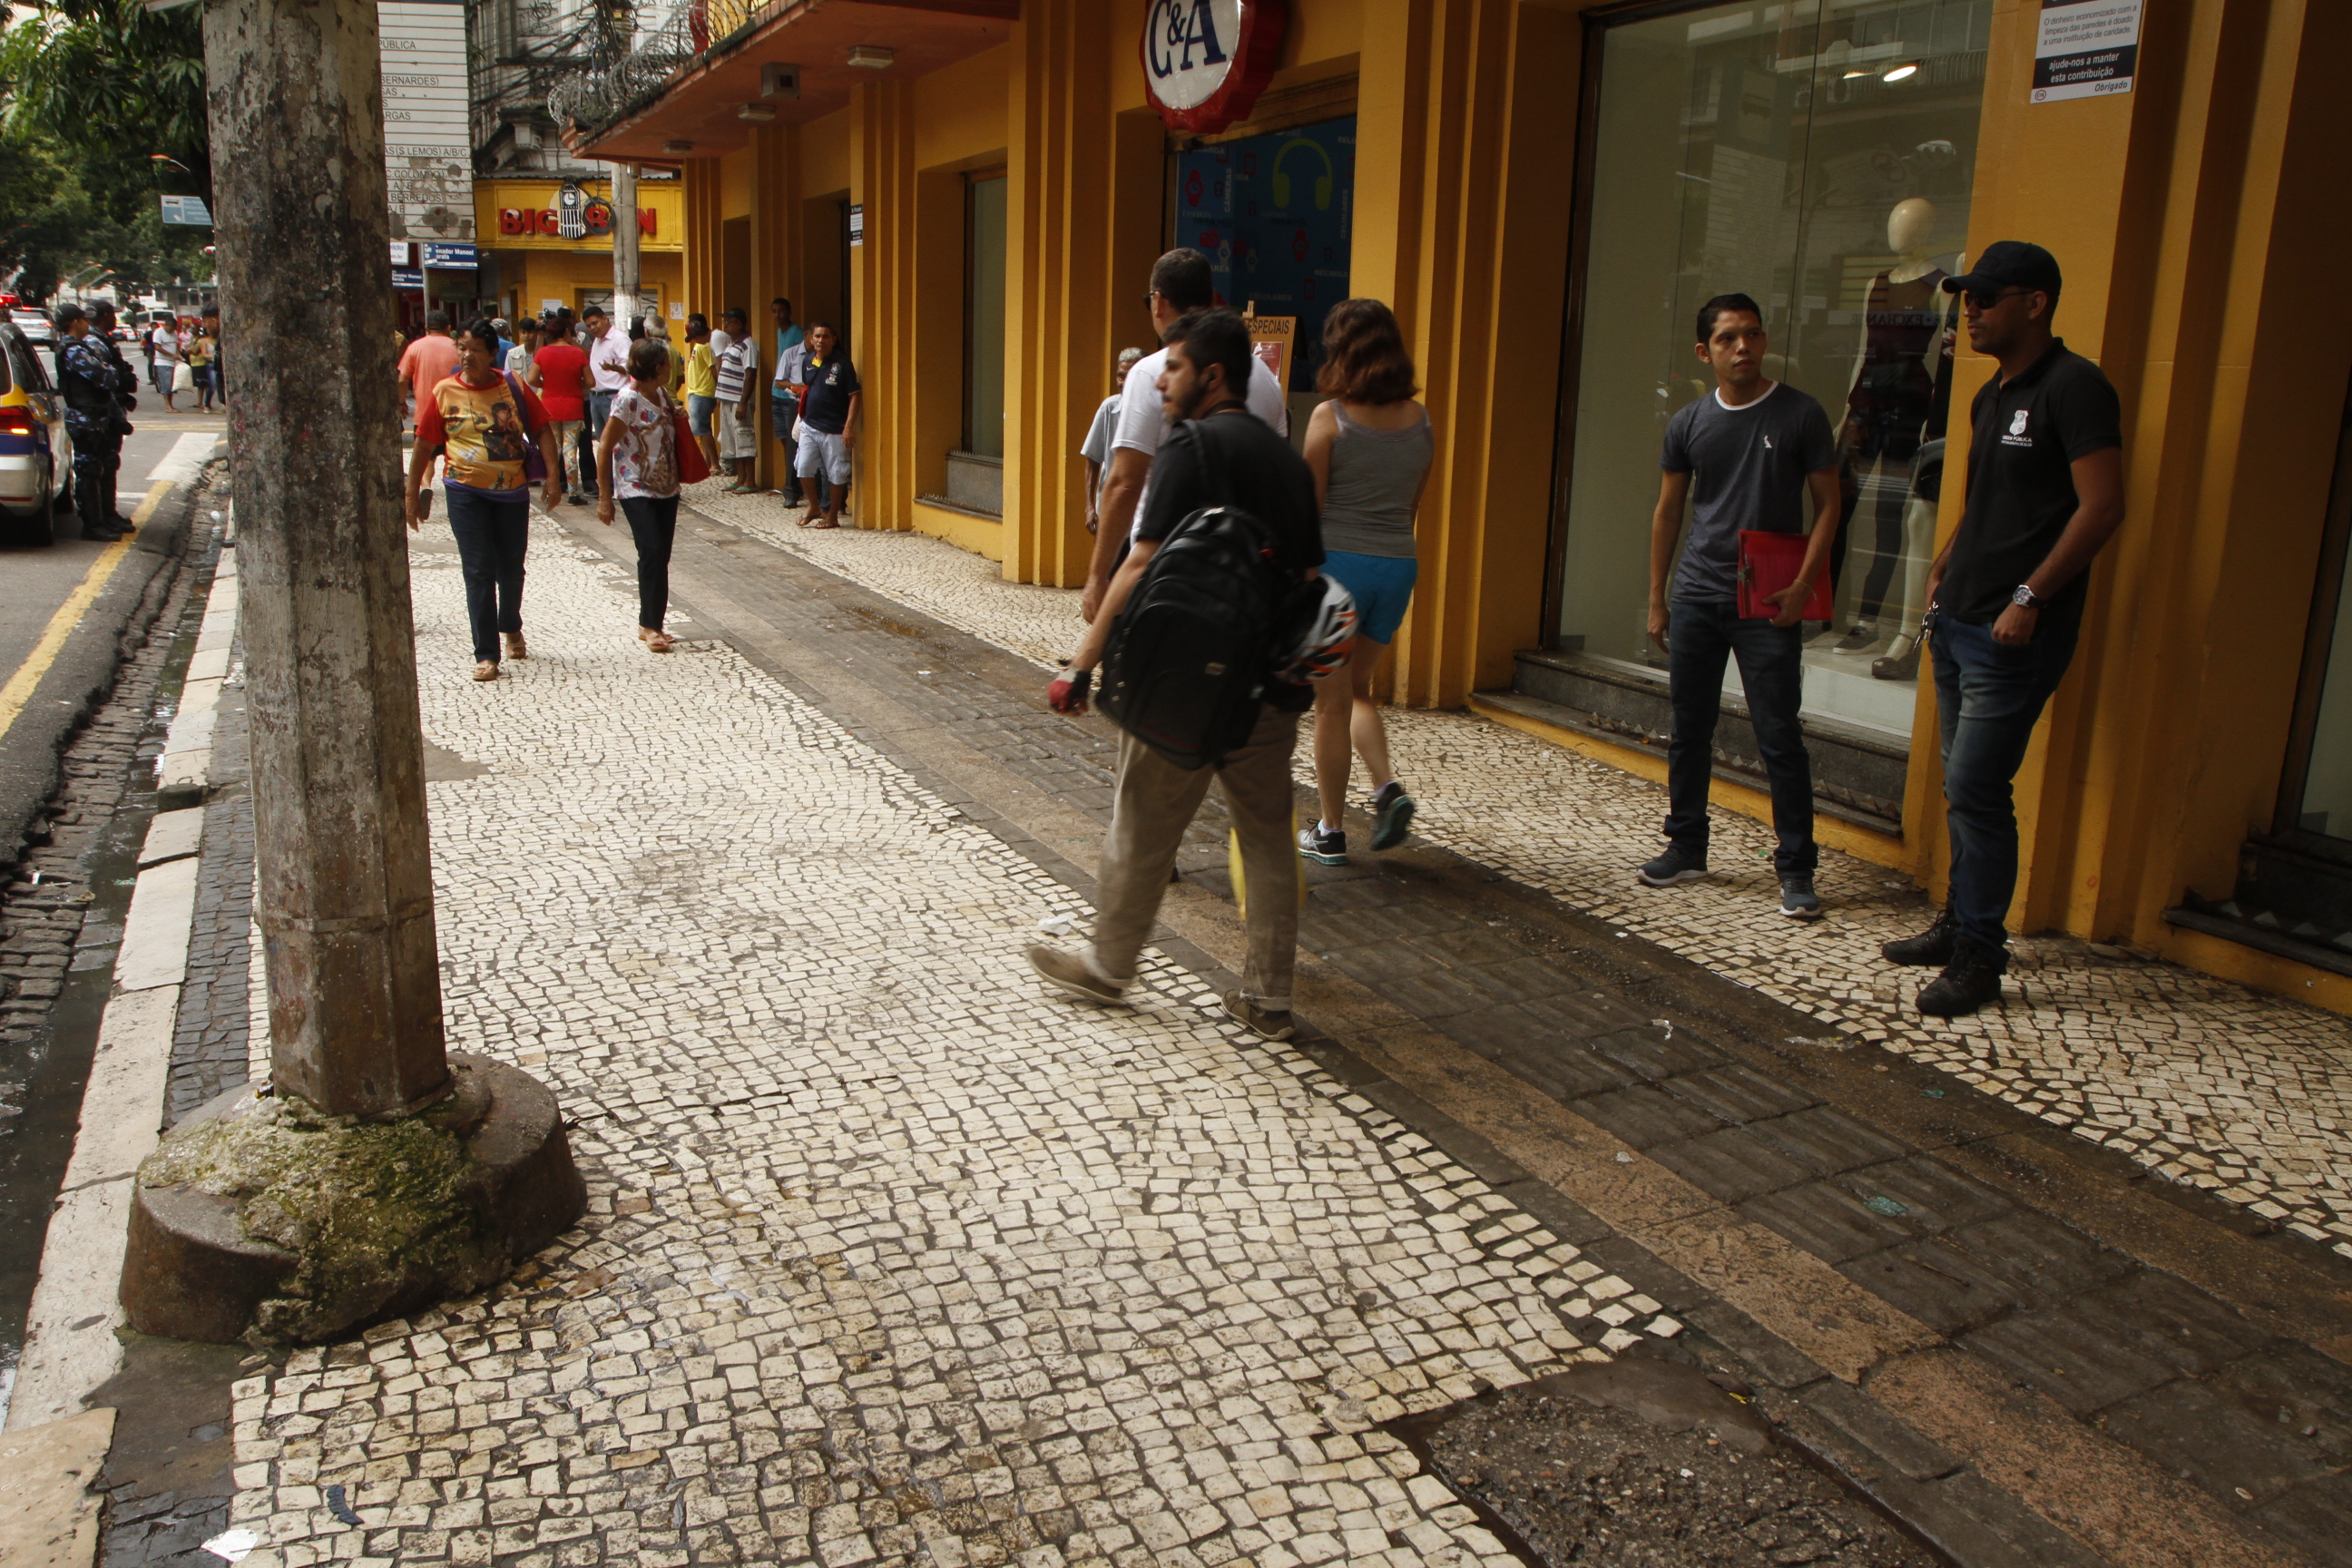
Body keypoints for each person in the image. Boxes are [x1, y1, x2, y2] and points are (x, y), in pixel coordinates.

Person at [1029, 309, 1322, 1043]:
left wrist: (1081, 664)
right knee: (1265, 835)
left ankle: (1109, 967)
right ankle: (1269, 999)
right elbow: (1312, 577)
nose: (1162, 379)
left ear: (1213, 376)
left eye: (1176, 367)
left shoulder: (1190, 448)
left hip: (1185, 684)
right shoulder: (1287, 461)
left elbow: (1139, 559)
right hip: (1266, 689)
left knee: (1142, 822)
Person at [1880, 242, 2126, 1016]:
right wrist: (1945, 560)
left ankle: (1982, 956)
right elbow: (1987, 498)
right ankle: (1960, 924)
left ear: (2036, 303)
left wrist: (2030, 596)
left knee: (1978, 787)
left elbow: (2103, 507)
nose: (1970, 312)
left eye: (1986, 298)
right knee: (1963, 789)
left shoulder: (2075, 388)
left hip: (2013, 634)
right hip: (1959, 622)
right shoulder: (1990, 397)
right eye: (1966, 299)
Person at [1640, 292, 1841, 920]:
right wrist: (1657, 597)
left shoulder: (1801, 415)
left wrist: (1806, 586)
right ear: (1705, 352)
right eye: (1728, 339)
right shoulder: (1690, 422)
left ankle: (1797, 868)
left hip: (1769, 601)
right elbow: (1669, 509)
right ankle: (1686, 845)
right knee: (1689, 727)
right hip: (1699, 592)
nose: (1743, 348)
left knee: (1779, 734)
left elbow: (1830, 505)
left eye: (1752, 335)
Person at [1295, 300, 1432, 867]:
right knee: (1357, 691)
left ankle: (1330, 830)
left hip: (1337, 569)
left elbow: (1310, 511)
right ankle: (1385, 789)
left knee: (1329, 705)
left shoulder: (1330, 418)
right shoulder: (1421, 420)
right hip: (1398, 565)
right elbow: (1412, 506)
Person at [1083, 249, 1289, 623]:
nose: (1167, 381)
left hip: (1165, 567)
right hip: (1243, 572)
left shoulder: (1147, 373)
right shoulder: (1266, 378)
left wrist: (1099, 577)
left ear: (1158, 302)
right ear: (1212, 301)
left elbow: (1125, 484)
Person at [403, 317, 564, 682]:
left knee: (511, 568)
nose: (467, 355)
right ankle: (486, 653)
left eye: (475, 349)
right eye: (462, 347)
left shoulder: (513, 386)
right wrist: (412, 492)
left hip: (512, 493)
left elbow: (541, 430)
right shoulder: (444, 391)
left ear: (492, 352)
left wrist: (553, 479)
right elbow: (425, 443)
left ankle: (510, 623)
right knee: (477, 570)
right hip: (464, 492)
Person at [595, 337, 685, 654]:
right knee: (650, 549)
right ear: (657, 367)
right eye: (667, 363)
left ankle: (653, 621)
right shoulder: (627, 400)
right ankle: (650, 626)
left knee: (661, 555)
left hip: (666, 486)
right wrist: (604, 497)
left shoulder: (661, 394)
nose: (672, 368)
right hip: (634, 485)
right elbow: (605, 446)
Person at [54, 303, 127, 542]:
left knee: (100, 466)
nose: (88, 323)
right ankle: (92, 524)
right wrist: (113, 372)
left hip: (94, 417)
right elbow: (104, 376)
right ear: (75, 322)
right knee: (88, 471)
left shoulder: (80, 347)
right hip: (84, 419)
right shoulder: (73, 350)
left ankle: (103, 519)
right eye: (83, 320)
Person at [791, 322, 858, 528]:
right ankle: (814, 506)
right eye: (818, 336)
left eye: (826, 337)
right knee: (803, 466)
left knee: (836, 472)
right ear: (811, 338)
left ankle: (832, 515)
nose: (821, 340)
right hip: (810, 425)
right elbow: (808, 386)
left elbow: (855, 396)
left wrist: (848, 426)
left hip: (835, 429)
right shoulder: (807, 360)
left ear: (833, 339)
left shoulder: (843, 364)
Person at [85, 302, 140, 530]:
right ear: (105, 316)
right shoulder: (95, 342)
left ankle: (108, 513)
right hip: (105, 412)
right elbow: (103, 380)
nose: (115, 319)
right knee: (104, 465)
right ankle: (102, 516)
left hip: (110, 408)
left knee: (108, 463)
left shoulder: (101, 339)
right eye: (113, 315)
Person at [1080, 348, 1145, 536]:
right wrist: (1090, 507)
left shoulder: (1159, 412)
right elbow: (1093, 458)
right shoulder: (1108, 409)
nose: (1123, 383)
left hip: (1143, 511)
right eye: (1120, 376)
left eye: (1130, 376)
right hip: (1111, 509)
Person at [533, 309, 591, 505]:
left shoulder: (542, 353)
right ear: (567, 332)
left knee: (553, 450)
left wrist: (547, 386)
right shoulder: (577, 353)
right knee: (570, 451)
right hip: (573, 407)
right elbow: (590, 381)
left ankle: (552, 486)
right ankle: (574, 493)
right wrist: (576, 386)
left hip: (550, 406)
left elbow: (531, 378)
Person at [580, 303, 629, 498]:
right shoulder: (597, 342)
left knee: (617, 443)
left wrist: (615, 368)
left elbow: (631, 366)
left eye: (595, 323)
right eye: (589, 325)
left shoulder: (619, 339)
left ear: (605, 319)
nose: (592, 328)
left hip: (613, 396)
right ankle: (607, 486)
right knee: (603, 444)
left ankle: (620, 486)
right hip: (596, 397)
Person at [713, 307, 760, 493]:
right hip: (726, 399)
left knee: (744, 439)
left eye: (729, 322)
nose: (726, 325)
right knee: (732, 441)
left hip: (738, 400)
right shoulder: (731, 344)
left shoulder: (748, 345)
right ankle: (740, 478)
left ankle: (750, 480)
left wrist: (742, 402)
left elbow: (750, 375)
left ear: (739, 324)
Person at [397, 310, 462, 428]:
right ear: (448, 328)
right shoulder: (459, 347)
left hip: (425, 416)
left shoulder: (414, 347)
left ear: (426, 328)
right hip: (455, 415)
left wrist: (401, 403)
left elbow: (402, 380)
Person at [769, 296, 805, 505]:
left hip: (793, 395)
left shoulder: (797, 333)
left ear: (789, 312)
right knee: (784, 438)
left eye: (781, 311)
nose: (777, 315)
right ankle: (791, 480)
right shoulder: (779, 332)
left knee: (795, 441)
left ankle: (795, 484)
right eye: (774, 311)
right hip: (779, 393)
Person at [679, 313, 720, 475]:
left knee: (702, 429)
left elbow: (713, 370)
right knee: (701, 429)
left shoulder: (704, 347)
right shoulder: (698, 346)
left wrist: (719, 391)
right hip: (696, 391)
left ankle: (714, 463)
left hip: (703, 392)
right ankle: (707, 461)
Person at [149, 314, 185, 412]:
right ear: (166, 325)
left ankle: (171, 405)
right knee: (166, 384)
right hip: (162, 362)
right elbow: (158, 347)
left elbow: (176, 344)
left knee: (172, 385)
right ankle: (167, 405)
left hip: (172, 362)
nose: (172, 330)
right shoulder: (158, 332)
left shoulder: (174, 333)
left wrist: (178, 354)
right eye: (171, 328)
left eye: (174, 329)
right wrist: (171, 355)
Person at [506, 317, 542, 394]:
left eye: (529, 332)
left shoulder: (544, 353)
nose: (526, 335)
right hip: (522, 396)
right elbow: (508, 377)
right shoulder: (512, 353)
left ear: (536, 333)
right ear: (520, 334)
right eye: (523, 332)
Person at [186, 321, 216, 412]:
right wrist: (190, 349)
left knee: (206, 384)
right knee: (200, 385)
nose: (192, 330)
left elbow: (194, 351)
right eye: (191, 328)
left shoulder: (200, 339)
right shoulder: (193, 339)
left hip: (201, 364)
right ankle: (199, 402)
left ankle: (207, 403)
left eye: (194, 328)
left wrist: (190, 348)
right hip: (194, 363)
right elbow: (186, 351)